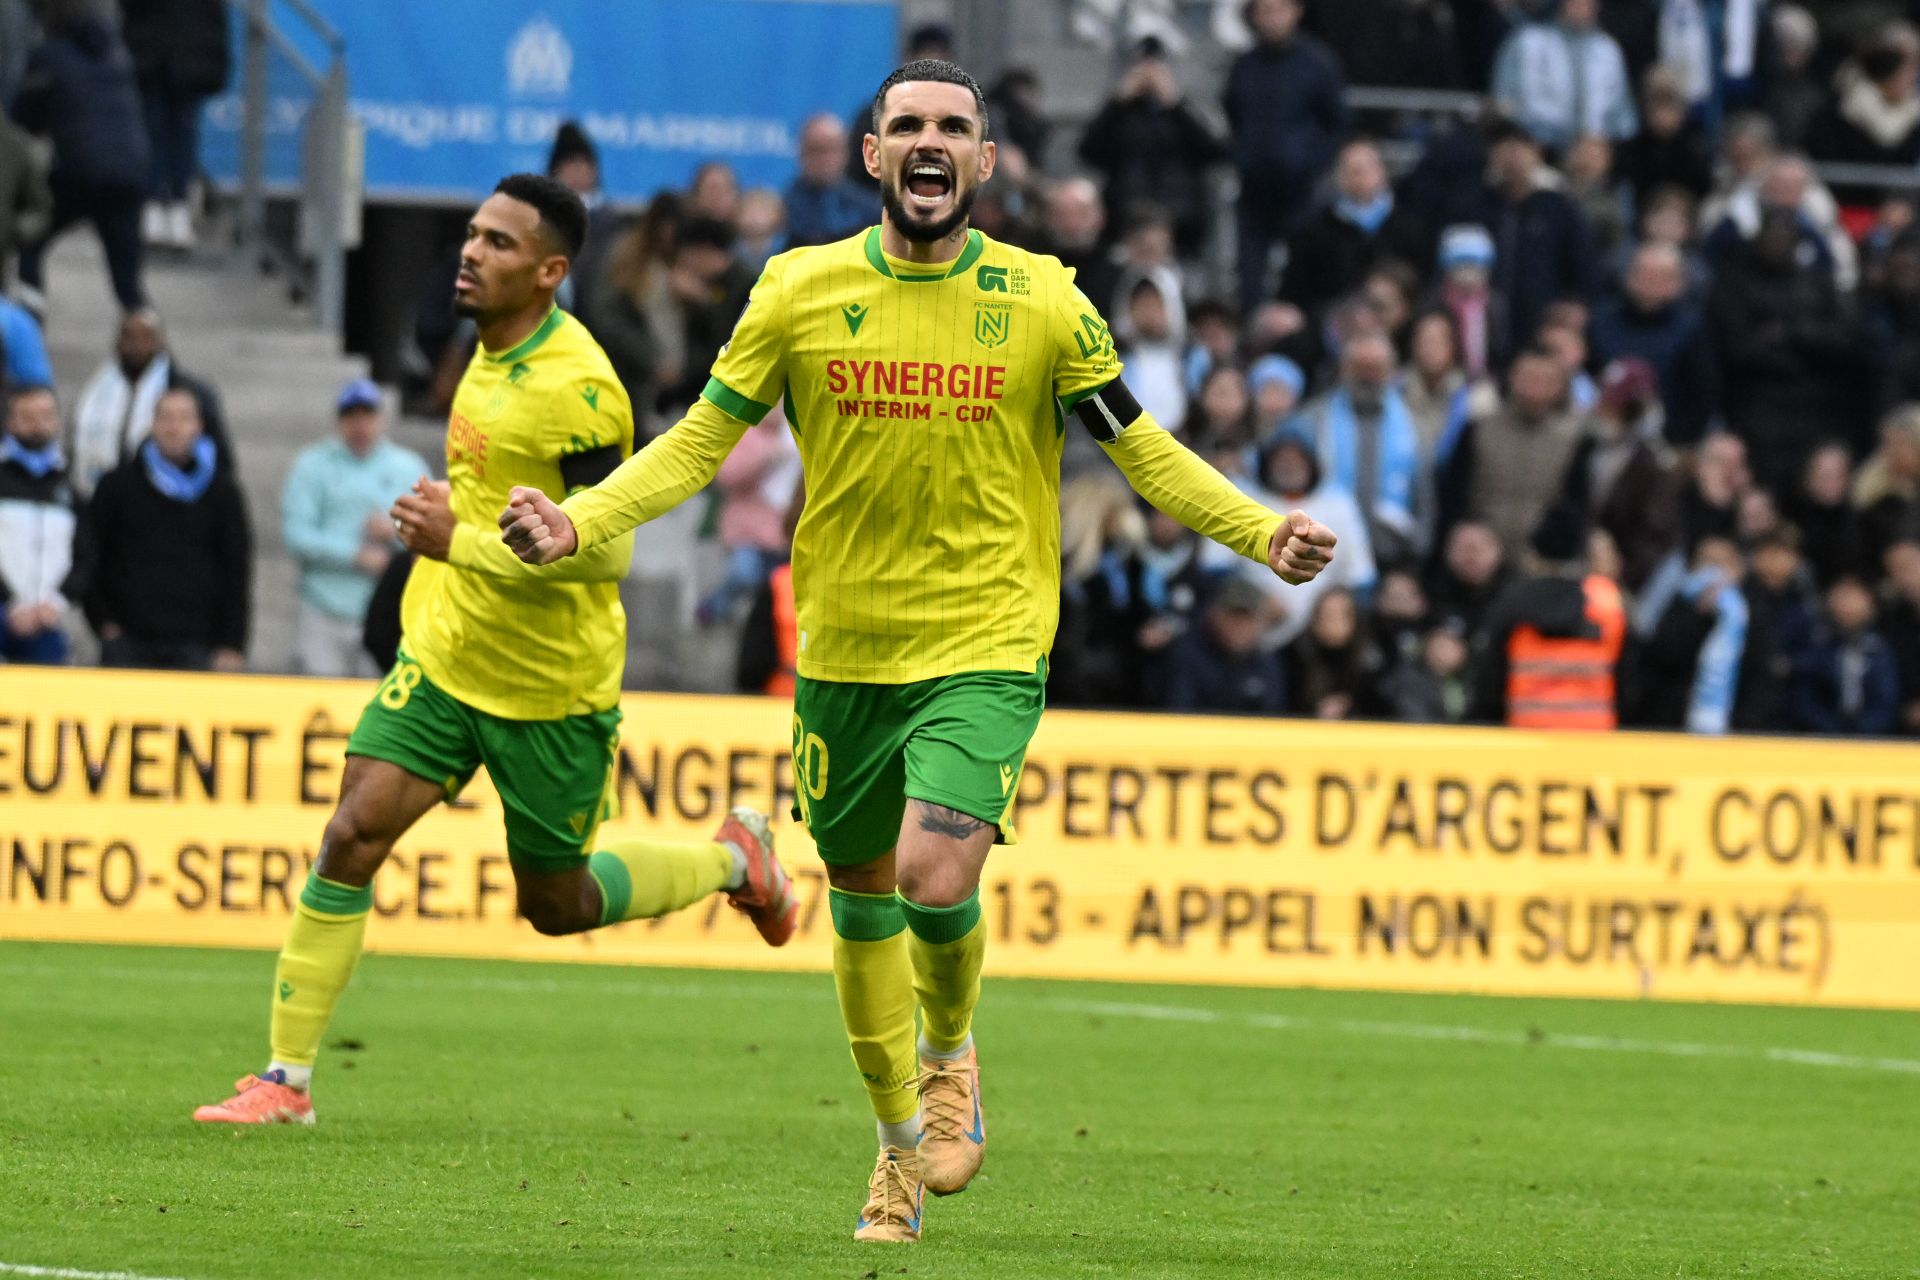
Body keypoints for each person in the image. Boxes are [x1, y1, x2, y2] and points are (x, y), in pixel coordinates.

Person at [496, 61, 1338, 1244]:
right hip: (844, 647)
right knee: (861, 894)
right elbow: (698, 442)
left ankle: (951, 1057)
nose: (931, 142)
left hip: (989, 635)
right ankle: (896, 1140)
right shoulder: (797, 288)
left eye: (955, 127)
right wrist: (582, 517)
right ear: (875, 155)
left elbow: (1141, 450)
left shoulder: (1047, 299)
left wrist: (1261, 531)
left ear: (986, 162)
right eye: (909, 126)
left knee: (935, 872)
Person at [190, 175, 801, 1129]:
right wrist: (451, 533)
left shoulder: (583, 388)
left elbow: (610, 551)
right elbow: (489, 493)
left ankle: (736, 863)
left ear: (552, 272)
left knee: (555, 903)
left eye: (500, 244)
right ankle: (286, 1080)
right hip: (446, 652)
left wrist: (459, 540)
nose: (472, 252)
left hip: (547, 686)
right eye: (472, 234)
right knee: (352, 832)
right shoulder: (479, 348)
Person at [83, 386, 249, 670]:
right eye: (166, 417)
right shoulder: (117, 485)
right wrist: (104, 623)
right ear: (152, 424)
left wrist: (232, 642)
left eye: (184, 418)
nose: (175, 427)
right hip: (128, 641)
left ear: (199, 426)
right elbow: (91, 554)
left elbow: (236, 568)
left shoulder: (222, 491)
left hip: (197, 643)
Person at [280, 378, 431, 677]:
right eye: (352, 417)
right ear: (340, 421)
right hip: (324, 606)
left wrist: (396, 531)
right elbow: (296, 533)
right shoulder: (313, 466)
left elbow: (433, 531)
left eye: (368, 416)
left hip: (389, 609)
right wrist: (353, 555)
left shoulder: (408, 467)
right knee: (321, 704)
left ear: (382, 420)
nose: (360, 426)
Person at [10, 0, 150, 311]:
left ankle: (27, 338)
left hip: (80, 171)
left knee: (30, 240)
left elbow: (21, 121)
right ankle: (157, 354)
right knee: (128, 282)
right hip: (131, 173)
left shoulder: (49, 56)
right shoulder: (117, 54)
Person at [1223, 0, 1347, 310]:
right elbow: (1234, 114)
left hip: (1302, 189)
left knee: (1303, 268)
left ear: (1297, 11)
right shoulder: (1244, 66)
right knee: (1249, 273)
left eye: (1278, 9)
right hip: (1255, 188)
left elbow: (1336, 121)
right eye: (1264, 11)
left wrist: (1313, 162)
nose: (1271, 19)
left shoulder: (1318, 63)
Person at [1077, 37, 1226, 258]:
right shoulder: (1121, 113)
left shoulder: (1181, 110)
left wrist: (1176, 104)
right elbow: (1088, 151)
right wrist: (1117, 102)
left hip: (1180, 218)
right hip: (1126, 214)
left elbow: (1213, 151)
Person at [69, 307, 232, 498]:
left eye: (146, 337)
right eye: (129, 337)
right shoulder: (94, 392)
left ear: (161, 342)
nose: (137, 345)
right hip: (103, 496)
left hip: (170, 497)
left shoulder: (188, 392)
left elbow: (220, 456)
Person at [1279, 139, 1430, 322]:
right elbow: (1296, 292)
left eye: (1366, 168)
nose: (1359, 176)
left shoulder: (1409, 227)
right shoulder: (1313, 232)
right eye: (1351, 170)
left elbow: (1422, 285)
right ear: (1338, 176)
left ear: (1382, 171)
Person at [120, 0, 229, 250]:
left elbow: (212, 15)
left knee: (180, 133)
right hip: (152, 52)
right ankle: (154, 205)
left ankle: (176, 207)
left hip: (183, 54)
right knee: (156, 132)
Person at [1589, 242, 1718, 446]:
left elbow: (1702, 395)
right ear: (1628, 275)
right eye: (1643, 273)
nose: (1650, 282)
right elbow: (1586, 378)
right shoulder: (1600, 321)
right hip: (1601, 435)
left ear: (1679, 283)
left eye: (1662, 276)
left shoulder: (1693, 329)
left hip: (1668, 442)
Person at [0, 386, 85, 663]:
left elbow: (86, 553)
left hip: (50, 618)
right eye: (27, 416)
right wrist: (10, 603)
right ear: (11, 422)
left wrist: (57, 602)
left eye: (45, 416)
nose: (37, 425)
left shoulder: (70, 483)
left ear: (57, 421)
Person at [1491, 0, 1638, 149]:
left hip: (1594, 150)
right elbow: (1505, 105)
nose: (1583, 7)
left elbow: (1623, 118)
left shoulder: (1608, 49)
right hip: (1535, 146)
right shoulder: (1527, 41)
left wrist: (1601, 141)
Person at [1787, 576, 1899, 736]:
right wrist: (1832, 729)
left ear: (1870, 605)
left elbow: (1886, 700)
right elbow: (1803, 697)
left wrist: (1862, 731)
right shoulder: (1815, 644)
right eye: (1843, 597)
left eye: (1855, 598)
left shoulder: (1880, 648)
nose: (1848, 606)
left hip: (1872, 739)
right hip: (1818, 736)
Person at [1164, 574, 1287, 714]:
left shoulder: (1266, 663)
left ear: (1261, 623)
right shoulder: (1187, 655)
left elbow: (1272, 720)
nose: (1239, 627)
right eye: (1233, 616)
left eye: (1247, 619)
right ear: (1215, 615)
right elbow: (1179, 713)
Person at [785, 114, 872, 249]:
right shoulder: (782, 210)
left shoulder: (869, 210)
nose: (823, 158)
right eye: (815, 149)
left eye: (831, 149)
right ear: (801, 152)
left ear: (845, 151)